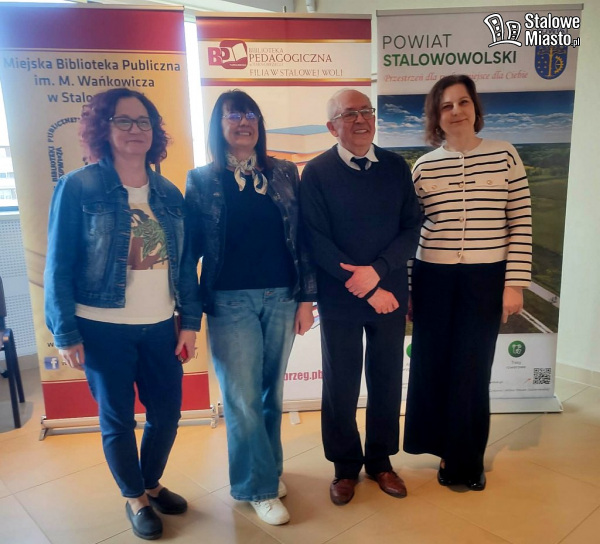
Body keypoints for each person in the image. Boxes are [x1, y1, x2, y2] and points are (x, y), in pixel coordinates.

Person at [44, 88, 200, 540]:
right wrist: (65, 332)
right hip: (101, 327)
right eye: (123, 121)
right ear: (104, 129)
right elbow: (59, 264)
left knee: (167, 414)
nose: (136, 130)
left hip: (160, 326)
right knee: (117, 418)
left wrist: (189, 323)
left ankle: (150, 482)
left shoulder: (168, 192)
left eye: (143, 121)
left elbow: (184, 266)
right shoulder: (79, 186)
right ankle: (135, 497)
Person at [183, 90, 316, 525]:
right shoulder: (201, 180)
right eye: (233, 115)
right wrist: (188, 312)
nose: (244, 122)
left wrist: (306, 298)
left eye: (251, 114)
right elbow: (190, 252)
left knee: (269, 393)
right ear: (218, 125)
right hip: (229, 300)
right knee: (241, 399)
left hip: (281, 296)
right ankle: (257, 488)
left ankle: (268, 471)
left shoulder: (283, 172)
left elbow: (301, 238)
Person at [403, 74, 532, 491]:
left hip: (485, 279)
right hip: (433, 278)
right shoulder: (424, 166)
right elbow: (411, 232)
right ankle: (442, 450)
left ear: (475, 108)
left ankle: (467, 460)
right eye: (446, 105)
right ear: (435, 116)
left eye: (463, 102)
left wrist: (514, 284)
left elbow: (521, 222)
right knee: (433, 366)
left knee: (472, 370)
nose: (456, 111)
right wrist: (409, 288)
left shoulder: (504, 155)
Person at [300, 89, 422, 505]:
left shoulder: (395, 167)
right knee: (342, 383)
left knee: (387, 379)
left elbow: (411, 227)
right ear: (331, 126)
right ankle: (345, 467)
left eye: (366, 111)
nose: (360, 120)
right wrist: (365, 284)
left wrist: (379, 272)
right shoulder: (316, 172)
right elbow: (315, 238)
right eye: (349, 114)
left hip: (389, 294)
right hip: (342, 296)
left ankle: (381, 462)